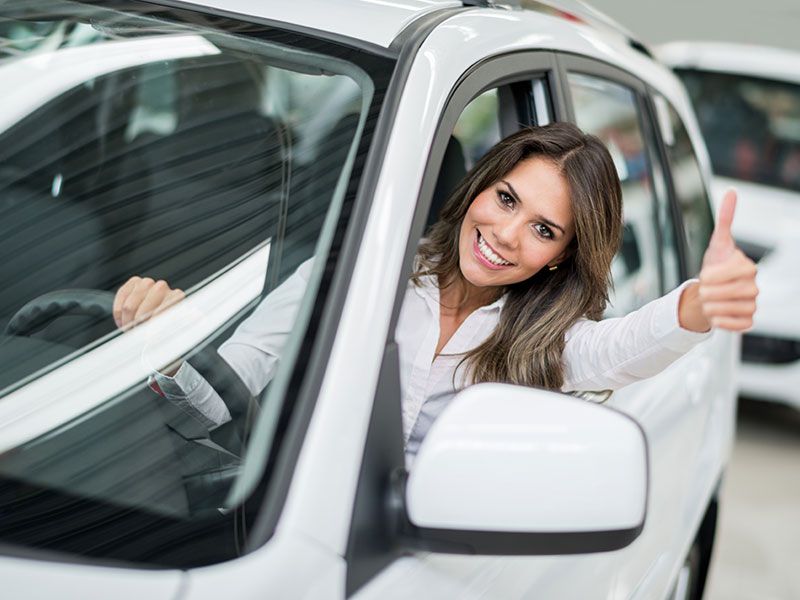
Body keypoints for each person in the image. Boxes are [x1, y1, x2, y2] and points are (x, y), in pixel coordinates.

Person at [113, 123, 758, 459]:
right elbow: (215, 406)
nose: (504, 234)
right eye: (505, 198)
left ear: (563, 257)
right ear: (479, 185)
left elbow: (619, 345)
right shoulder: (352, 274)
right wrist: (171, 350)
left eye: (541, 229)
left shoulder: (544, 341)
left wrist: (697, 303)